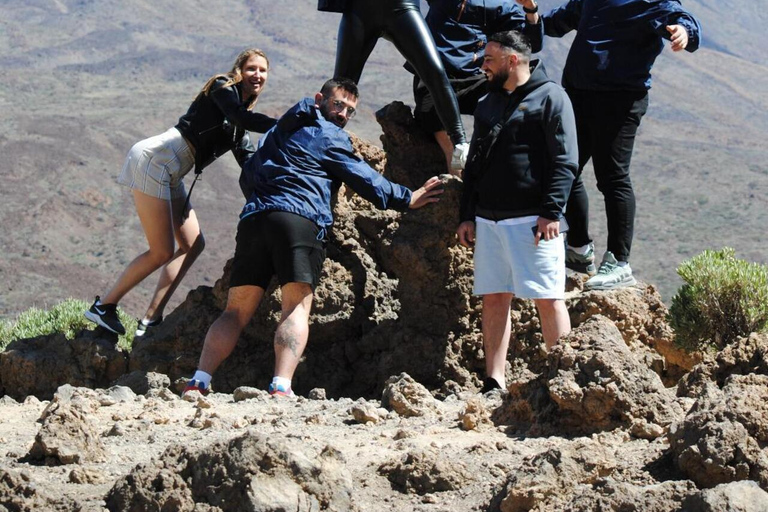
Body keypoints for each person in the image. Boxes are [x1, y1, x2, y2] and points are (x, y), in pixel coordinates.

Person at [183, 78, 444, 397]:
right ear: (320, 99)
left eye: (350, 110)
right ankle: (280, 386)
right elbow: (365, 179)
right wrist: (407, 197)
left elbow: (247, 174)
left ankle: (199, 381)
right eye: (338, 104)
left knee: (234, 311)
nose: (343, 114)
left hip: (255, 219)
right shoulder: (328, 135)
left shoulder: (276, 131)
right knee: (295, 308)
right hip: (299, 219)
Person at [84, 49, 277, 337]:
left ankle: (150, 320)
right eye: (252, 68)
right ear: (239, 69)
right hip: (155, 160)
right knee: (161, 251)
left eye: (262, 70)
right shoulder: (222, 87)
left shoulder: (238, 126)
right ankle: (104, 306)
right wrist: (284, 125)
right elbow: (240, 116)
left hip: (172, 172)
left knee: (192, 243)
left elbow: (249, 162)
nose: (257, 75)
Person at [542, 0, 702, 289]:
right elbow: (558, 22)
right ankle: (579, 250)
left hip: (620, 99)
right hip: (579, 93)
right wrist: (528, 14)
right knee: (567, 168)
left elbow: (683, 20)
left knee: (612, 177)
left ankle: (619, 261)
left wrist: (683, 32)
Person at [456, 31, 577, 393]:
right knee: (494, 297)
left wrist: (551, 211)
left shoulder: (551, 97)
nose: (483, 66)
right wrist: (467, 214)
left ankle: (567, 377)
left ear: (513, 60)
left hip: (533, 221)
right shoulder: (488, 101)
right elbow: (474, 162)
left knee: (547, 297)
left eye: (489, 59)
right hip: (489, 219)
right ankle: (494, 379)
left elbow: (565, 161)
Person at [323, 0, 470, 171]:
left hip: (402, 6)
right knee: (342, 85)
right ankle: (321, 137)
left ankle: (460, 143)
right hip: (361, 9)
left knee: (436, 72)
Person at [415, 0, 543, 174]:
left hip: (474, 78)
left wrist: (530, 8)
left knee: (512, 89)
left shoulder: (501, 6)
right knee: (453, 151)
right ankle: (457, 187)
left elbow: (530, 44)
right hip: (433, 78)